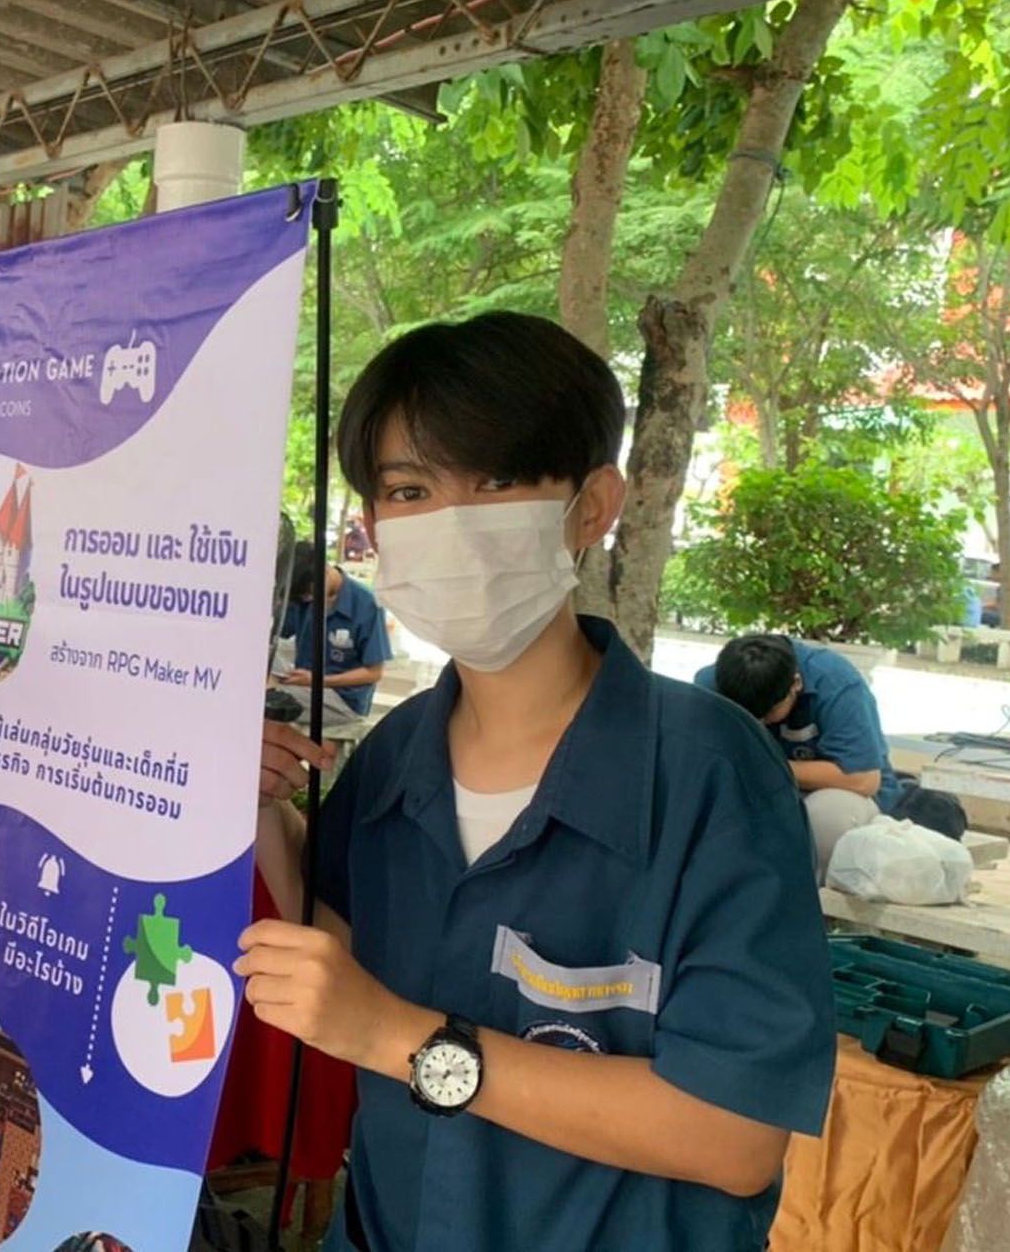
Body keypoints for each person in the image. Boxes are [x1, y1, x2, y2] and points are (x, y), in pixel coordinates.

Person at [237, 314, 834, 1252]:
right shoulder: (395, 757)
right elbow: (348, 945)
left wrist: (401, 1040)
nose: (451, 520)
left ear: (592, 506)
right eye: (409, 488)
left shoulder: (711, 777)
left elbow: (734, 1134)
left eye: (499, 479)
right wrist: (264, 807)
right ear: (373, 527)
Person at [695, 633, 902, 882]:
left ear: (796, 684)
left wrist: (765, 765)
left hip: (835, 798)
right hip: (760, 792)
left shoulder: (836, 682)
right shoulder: (711, 684)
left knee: (827, 815)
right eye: (747, 713)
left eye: (767, 713)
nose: (758, 722)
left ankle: (816, 909)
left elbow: (862, 779)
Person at [278, 540, 391, 718]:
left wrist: (317, 681)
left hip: (343, 700)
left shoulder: (367, 605)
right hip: (303, 686)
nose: (308, 600)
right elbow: (278, 631)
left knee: (270, 704)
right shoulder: (302, 599)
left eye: (310, 593)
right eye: (303, 597)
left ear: (325, 570)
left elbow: (374, 673)